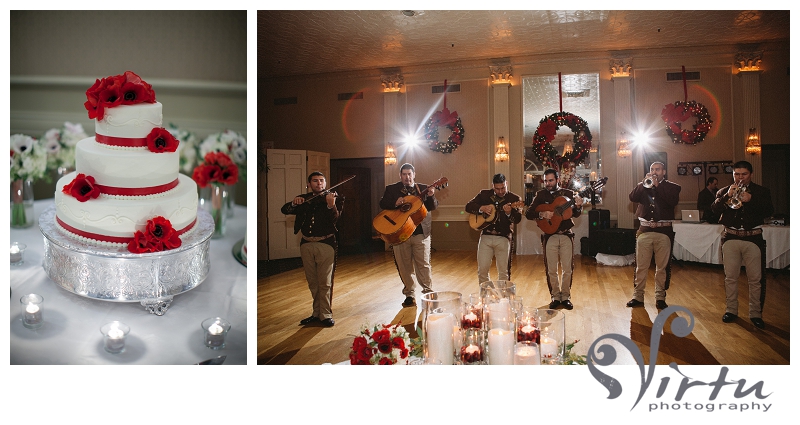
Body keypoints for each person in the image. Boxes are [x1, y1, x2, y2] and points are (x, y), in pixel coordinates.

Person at [711, 160, 773, 329]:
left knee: (755, 279)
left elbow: (769, 211)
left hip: (753, 238)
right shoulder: (724, 191)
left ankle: (755, 314)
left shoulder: (761, 191)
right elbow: (714, 211)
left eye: (744, 174)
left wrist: (751, 199)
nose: (740, 178)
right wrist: (726, 196)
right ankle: (731, 310)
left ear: (750, 174)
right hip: (730, 238)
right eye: (736, 174)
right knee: (730, 278)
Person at [281, 171, 342, 327]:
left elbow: (335, 220)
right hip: (306, 244)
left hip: (326, 244)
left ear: (326, 183)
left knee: (325, 282)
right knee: (313, 282)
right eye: (315, 181)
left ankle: (326, 314)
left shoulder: (335, 198)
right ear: (309, 184)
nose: (319, 183)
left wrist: (330, 205)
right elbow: (285, 209)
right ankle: (316, 313)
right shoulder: (304, 199)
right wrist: (294, 203)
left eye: (322, 181)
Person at [379, 163, 438, 307]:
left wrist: (431, 196)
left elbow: (432, 206)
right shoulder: (392, 189)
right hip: (400, 233)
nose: (407, 177)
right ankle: (410, 294)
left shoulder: (423, 188)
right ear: (400, 175)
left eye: (409, 174)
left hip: (420, 233)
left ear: (414, 174)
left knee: (423, 264)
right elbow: (382, 203)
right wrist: (395, 202)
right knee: (404, 265)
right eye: (404, 174)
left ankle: (428, 292)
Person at [526, 168, 583, 310]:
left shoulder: (568, 194)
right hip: (549, 235)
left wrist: (579, 206)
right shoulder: (540, 195)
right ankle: (555, 297)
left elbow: (575, 213)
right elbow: (528, 213)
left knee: (567, 268)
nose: (548, 183)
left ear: (557, 180)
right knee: (551, 269)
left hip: (565, 234)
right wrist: (541, 215)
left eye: (550, 180)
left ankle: (566, 297)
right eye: (545, 181)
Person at [627, 161, 681, 310]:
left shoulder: (673, 187)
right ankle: (638, 296)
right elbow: (632, 197)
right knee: (641, 266)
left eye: (657, 169)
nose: (655, 172)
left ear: (664, 171)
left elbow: (672, 201)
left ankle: (660, 297)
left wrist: (658, 186)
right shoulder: (644, 185)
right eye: (652, 169)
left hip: (663, 232)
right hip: (645, 231)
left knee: (661, 268)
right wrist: (642, 183)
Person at [465, 173, 522, 286]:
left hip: (503, 237)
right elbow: (468, 206)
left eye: (503, 188)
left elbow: (517, 219)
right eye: (497, 189)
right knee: (482, 270)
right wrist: (481, 208)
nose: (500, 191)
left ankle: (502, 298)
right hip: (486, 236)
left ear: (507, 184)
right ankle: (487, 296)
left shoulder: (514, 199)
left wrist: (509, 213)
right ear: (492, 186)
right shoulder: (484, 195)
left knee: (503, 273)